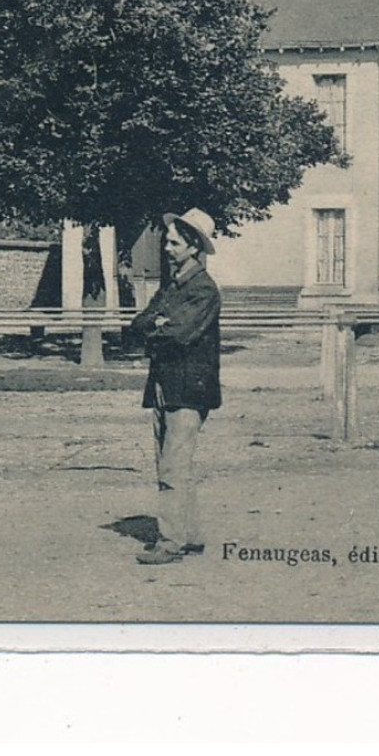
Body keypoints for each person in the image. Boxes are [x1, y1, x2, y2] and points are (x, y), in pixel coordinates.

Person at [128, 209, 222, 564]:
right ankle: (189, 534)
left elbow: (179, 335)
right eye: (167, 242)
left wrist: (159, 325)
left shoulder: (204, 291)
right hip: (164, 387)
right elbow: (140, 324)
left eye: (173, 243)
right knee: (171, 465)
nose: (166, 249)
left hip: (189, 389)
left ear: (193, 247)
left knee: (173, 467)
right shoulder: (172, 286)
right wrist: (158, 323)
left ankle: (170, 542)